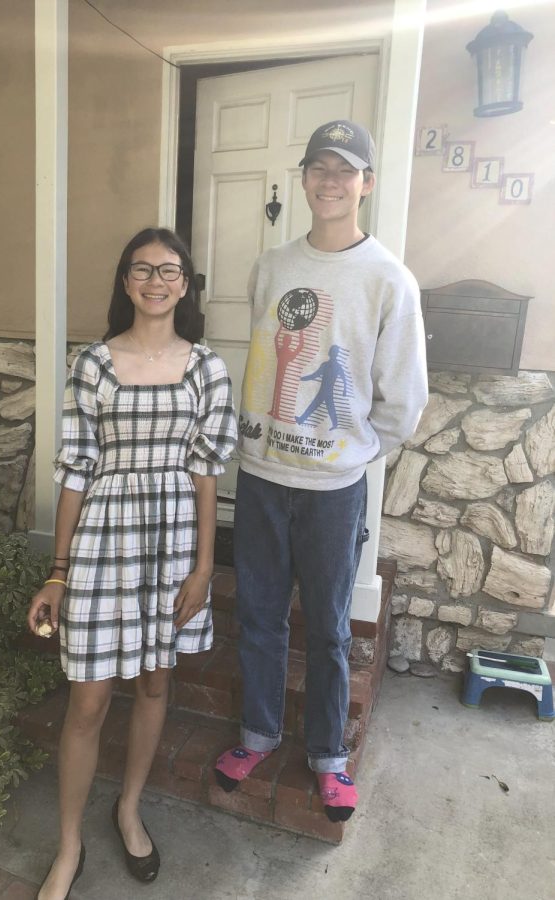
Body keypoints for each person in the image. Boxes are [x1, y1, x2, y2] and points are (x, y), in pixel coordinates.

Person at [214, 120, 428, 822]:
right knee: (259, 616)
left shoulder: (388, 279)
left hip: (333, 491)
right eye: (319, 167)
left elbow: (403, 397)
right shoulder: (271, 266)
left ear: (365, 183)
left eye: (346, 170)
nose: (330, 181)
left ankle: (327, 754)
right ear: (303, 178)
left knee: (331, 629)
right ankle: (257, 732)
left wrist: (355, 454)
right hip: (261, 477)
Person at [28, 227, 237, 898]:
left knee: (153, 684)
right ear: (125, 282)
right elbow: (75, 474)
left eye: (169, 270)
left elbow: (206, 473)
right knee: (87, 701)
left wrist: (204, 567)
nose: (155, 280)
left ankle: (128, 807)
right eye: (142, 269)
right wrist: (58, 571)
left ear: (184, 284)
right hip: (101, 542)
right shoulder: (93, 364)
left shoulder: (206, 367)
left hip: (172, 544)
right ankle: (68, 847)